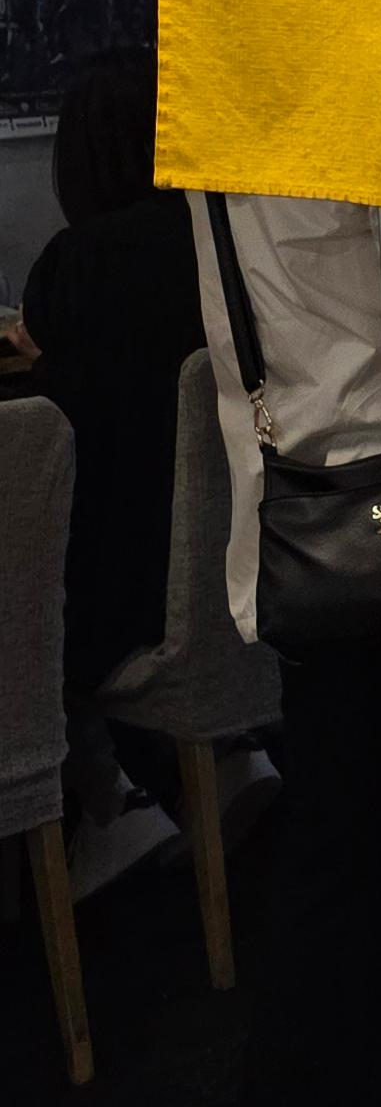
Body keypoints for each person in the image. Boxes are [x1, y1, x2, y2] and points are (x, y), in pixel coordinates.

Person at [193, 193, 381, 1107]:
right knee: (353, 868)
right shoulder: (311, 110)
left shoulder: (223, 113)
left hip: (310, 500)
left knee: (347, 857)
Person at [17, 49, 208, 886]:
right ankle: (222, 763)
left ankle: (106, 799)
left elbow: (71, 417)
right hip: (231, 586)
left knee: (31, 580)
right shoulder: (219, 244)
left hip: (119, 601)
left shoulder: (77, 264)